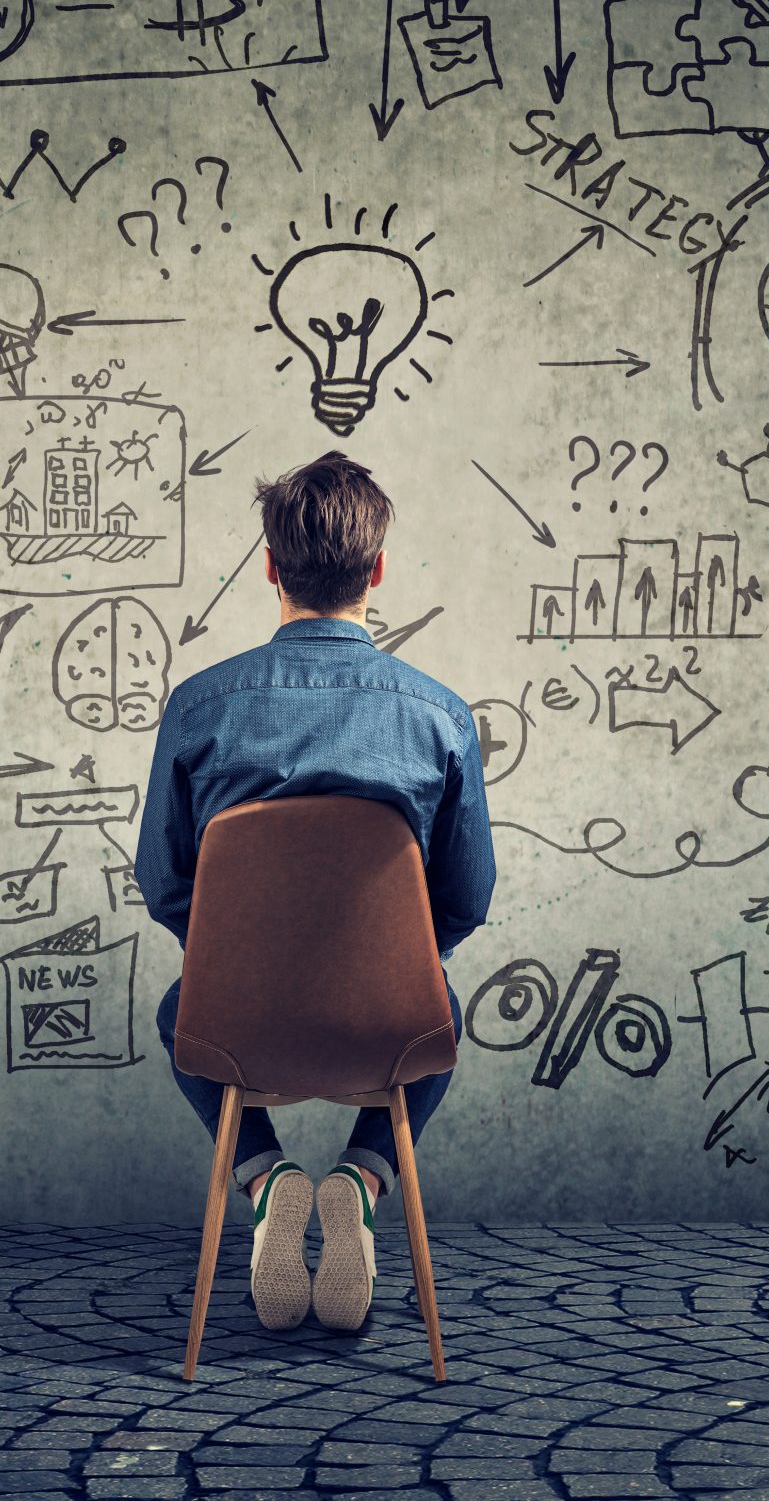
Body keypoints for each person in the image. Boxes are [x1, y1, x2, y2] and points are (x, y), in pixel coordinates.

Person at [137, 452, 493, 1334]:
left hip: (236, 1017)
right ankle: (363, 1179)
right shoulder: (442, 715)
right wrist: (387, 960)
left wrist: (238, 955)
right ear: (376, 569)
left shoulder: (198, 706)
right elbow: (467, 895)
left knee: (175, 1014)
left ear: (269, 564)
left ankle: (266, 1180)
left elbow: (162, 879)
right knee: (442, 1011)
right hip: (390, 1016)